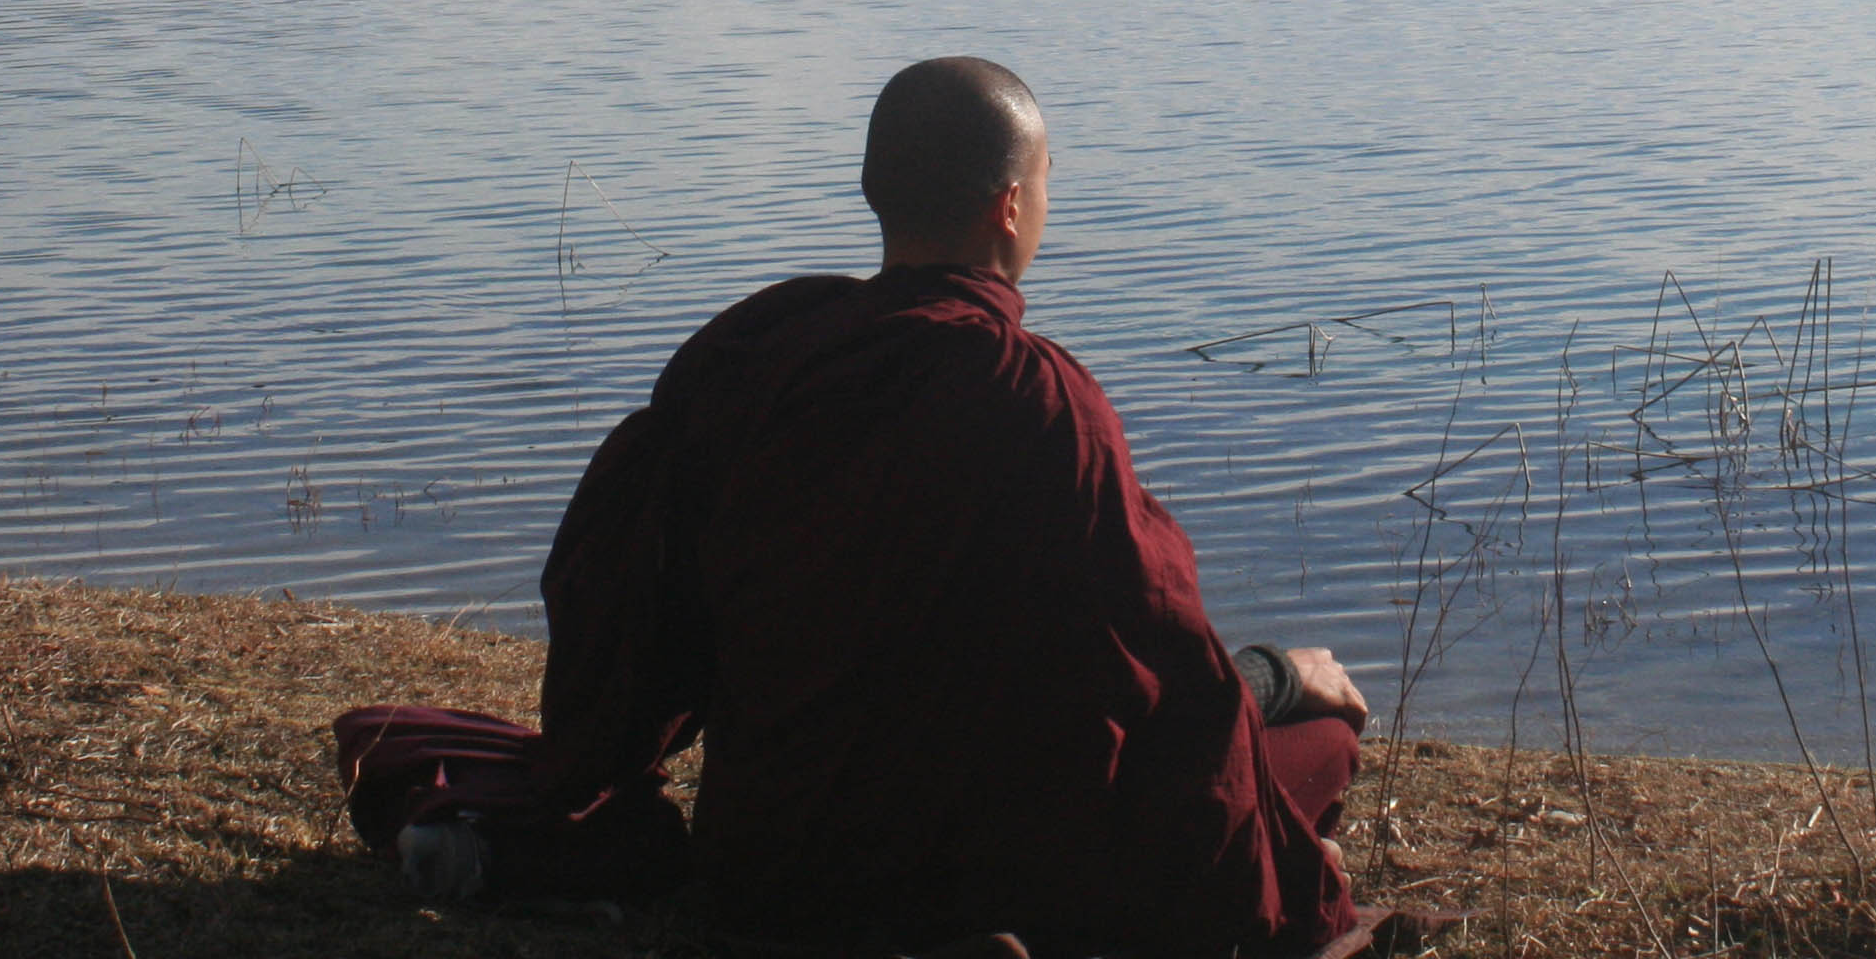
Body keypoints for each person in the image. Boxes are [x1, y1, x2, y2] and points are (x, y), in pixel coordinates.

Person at [339, 58, 1365, 958]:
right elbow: (1161, 676)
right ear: (1010, 206)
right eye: (1049, 182)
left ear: (878, 191)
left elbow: (625, 588)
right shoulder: (1039, 396)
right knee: (1315, 748)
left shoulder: (764, 352)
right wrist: (1279, 679)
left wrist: (600, 764)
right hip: (985, 866)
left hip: (768, 864)